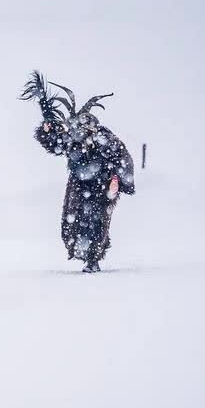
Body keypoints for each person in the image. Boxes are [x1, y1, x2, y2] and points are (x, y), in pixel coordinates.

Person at [20, 71, 135, 272]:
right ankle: (80, 249)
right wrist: (47, 130)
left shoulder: (106, 139)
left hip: (102, 187)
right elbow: (56, 144)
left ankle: (93, 259)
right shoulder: (73, 139)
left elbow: (123, 159)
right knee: (71, 221)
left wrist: (116, 180)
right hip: (78, 185)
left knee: (97, 221)